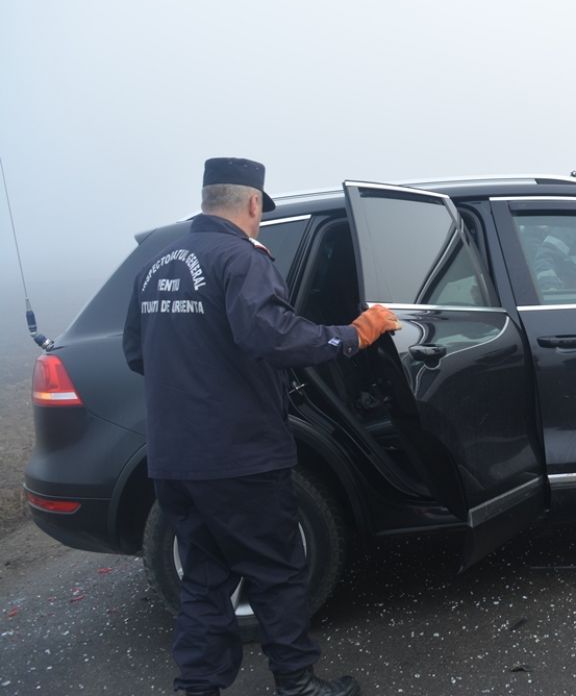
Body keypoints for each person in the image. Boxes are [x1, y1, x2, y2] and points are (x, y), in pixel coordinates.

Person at [122, 158, 399, 696]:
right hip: (239, 455)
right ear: (253, 202)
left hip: (174, 457)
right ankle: (296, 683)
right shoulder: (240, 259)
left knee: (204, 577)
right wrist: (354, 335)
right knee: (277, 569)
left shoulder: (156, 265)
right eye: (259, 211)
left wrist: (197, 373)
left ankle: (198, 687)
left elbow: (138, 353)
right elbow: (274, 337)